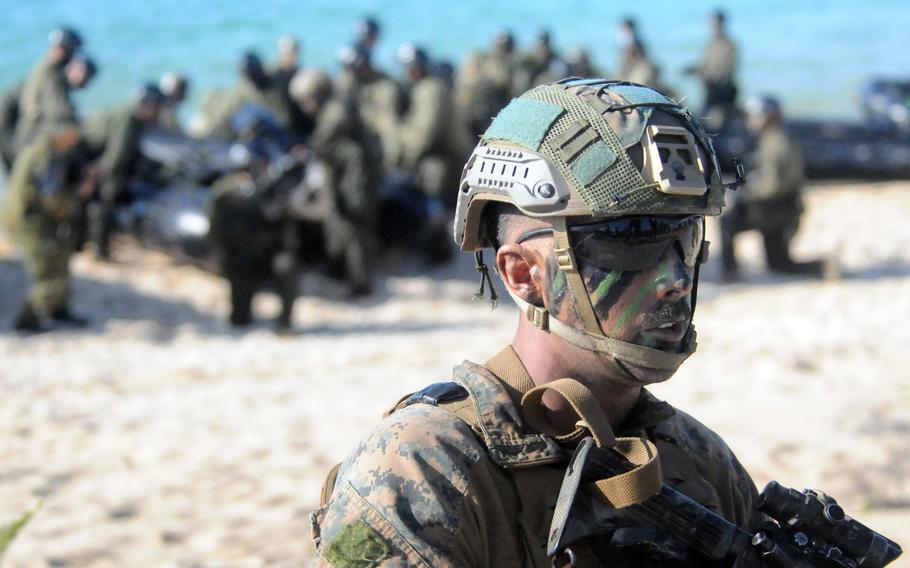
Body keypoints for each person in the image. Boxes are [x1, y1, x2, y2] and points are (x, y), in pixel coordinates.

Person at [312, 80, 758, 566]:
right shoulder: (421, 469)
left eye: (686, 237)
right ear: (524, 274)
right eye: (632, 238)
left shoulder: (701, 462)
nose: (674, 279)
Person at [291, 68, 382, 297]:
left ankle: (361, 284)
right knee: (344, 226)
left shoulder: (334, 113)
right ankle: (344, 274)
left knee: (354, 229)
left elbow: (322, 142)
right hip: (352, 177)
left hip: (357, 180)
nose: (305, 107)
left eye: (306, 101)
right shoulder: (337, 107)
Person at [720, 96, 829, 279]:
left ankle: (730, 275)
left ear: (768, 117)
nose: (750, 120)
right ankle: (824, 267)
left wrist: (746, 193)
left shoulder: (775, 142)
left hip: (775, 209)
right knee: (779, 264)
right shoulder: (778, 138)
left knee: (728, 223)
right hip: (786, 207)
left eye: (754, 116)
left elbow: (772, 186)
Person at [2, 127, 95, 332]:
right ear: (64, 134)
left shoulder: (43, 151)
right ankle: (28, 319)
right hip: (30, 220)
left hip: (32, 217)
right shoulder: (46, 158)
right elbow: (52, 199)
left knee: (59, 259)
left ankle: (58, 310)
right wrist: (79, 193)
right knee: (47, 264)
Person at [82, 83, 164, 260]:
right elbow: (115, 156)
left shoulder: (135, 119)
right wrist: (96, 176)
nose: (157, 111)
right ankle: (100, 251)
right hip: (85, 156)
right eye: (155, 106)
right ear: (146, 104)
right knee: (106, 197)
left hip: (93, 157)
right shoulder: (127, 119)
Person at [395, 44, 464, 208]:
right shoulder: (434, 87)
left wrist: (405, 161)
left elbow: (426, 134)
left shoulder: (429, 90)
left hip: (443, 166)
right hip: (446, 162)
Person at [2, 54, 97, 173]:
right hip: (12, 128)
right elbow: (59, 115)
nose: (84, 81)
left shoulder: (52, 78)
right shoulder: (53, 78)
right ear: (72, 68)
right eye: (84, 74)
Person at [15, 27, 84, 151]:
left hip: (35, 135)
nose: (74, 55)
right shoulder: (49, 73)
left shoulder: (46, 68)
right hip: (35, 138)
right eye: (72, 50)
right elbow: (58, 111)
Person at [687, 10, 739, 129]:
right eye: (712, 24)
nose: (713, 27)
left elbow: (727, 70)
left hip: (723, 91)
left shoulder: (729, 45)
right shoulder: (710, 44)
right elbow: (705, 65)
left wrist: (709, 76)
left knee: (720, 124)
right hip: (710, 88)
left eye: (716, 24)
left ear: (722, 24)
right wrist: (694, 71)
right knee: (703, 120)